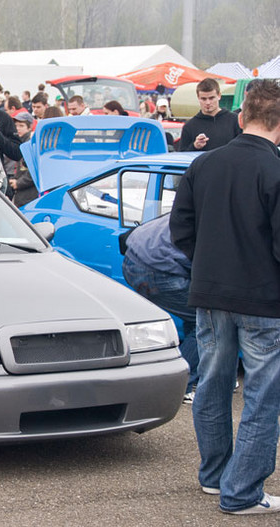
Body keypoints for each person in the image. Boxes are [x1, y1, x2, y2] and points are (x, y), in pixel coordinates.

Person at [169, 79, 280, 515]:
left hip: (211, 293)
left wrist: (211, 265)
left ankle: (217, 478)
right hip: (260, 299)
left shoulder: (204, 165)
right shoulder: (273, 170)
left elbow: (181, 228)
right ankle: (241, 491)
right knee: (261, 395)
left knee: (214, 386)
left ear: (240, 116)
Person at [122, 214, 197, 403]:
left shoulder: (204, 199)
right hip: (158, 268)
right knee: (208, 323)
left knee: (195, 317)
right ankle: (181, 386)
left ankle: (199, 372)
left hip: (133, 257)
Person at [180, 78, 241, 152]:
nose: (208, 102)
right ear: (198, 98)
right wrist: (195, 146)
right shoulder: (189, 126)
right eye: (203, 99)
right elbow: (182, 155)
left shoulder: (235, 120)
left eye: (211, 98)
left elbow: (244, 149)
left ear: (219, 96)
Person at [7, 112, 38, 207]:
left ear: (29, 127)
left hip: (28, 194)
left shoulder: (31, 145)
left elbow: (34, 171)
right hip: (20, 193)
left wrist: (19, 183)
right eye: (16, 125)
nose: (17, 128)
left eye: (21, 125)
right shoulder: (19, 143)